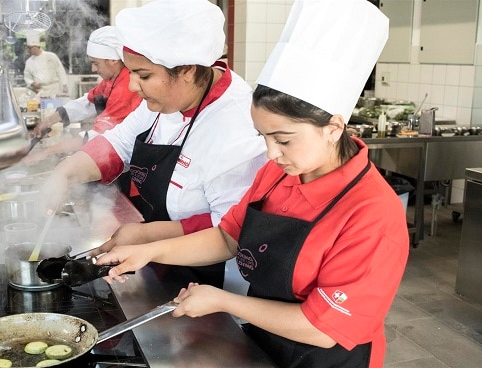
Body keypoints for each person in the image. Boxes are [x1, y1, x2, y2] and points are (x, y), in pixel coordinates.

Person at [96, 1, 409, 367]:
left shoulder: (372, 213)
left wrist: (223, 300)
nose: (271, 154)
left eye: (284, 139)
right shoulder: (279, 173)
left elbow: (325, 328)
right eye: (263, 137)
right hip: (265, 342)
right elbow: (227, 237)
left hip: (328, 356)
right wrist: (150, 251)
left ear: (334, 128)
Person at [42, 0, 268, 289]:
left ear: (186, 69)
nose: (134, 86)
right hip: (162, 260)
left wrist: (147, 236)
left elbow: (227, 232)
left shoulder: (234, 127)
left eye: (143, 75)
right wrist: (65, 172)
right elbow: (118, 142)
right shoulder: (166, 98)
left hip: (212, 279)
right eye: (132, 72)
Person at [25, 26, 142, 165]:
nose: (93, 69)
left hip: (130, 158)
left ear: (113, 60)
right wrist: (49, 120)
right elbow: (89, 102)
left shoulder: (127, 86)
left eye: (95, 63)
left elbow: (99, 136)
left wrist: (47, 151)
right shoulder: (112, 79)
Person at [23, 34, 68, 98]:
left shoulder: (51, 56)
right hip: (41, 91)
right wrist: (33, 83)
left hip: (55, 89)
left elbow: (60, 70)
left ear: (36, 47)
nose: (28, 50)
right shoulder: (29, 62)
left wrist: (64, 85)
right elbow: (27, 77)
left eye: (29, 48)